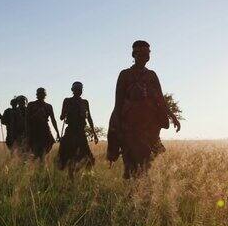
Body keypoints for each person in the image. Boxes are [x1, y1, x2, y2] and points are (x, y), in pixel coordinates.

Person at [107, 40, 181, 179]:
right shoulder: (125, 74)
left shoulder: (152, 75)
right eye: (140, 53)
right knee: (130, 163)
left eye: (147, 53)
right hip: (130, 123)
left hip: (149, 125)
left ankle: (142, 193)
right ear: (134, 55)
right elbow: (118, 101)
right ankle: (114, 155)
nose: (144, 56)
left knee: (147, 162)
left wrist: (172, 116)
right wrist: (116, 125)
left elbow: (160, 99)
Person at [57, 81, 98, 177]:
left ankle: (84, 175)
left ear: (81, 91)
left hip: (80, 132)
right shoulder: (67, 101)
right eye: (76, 89)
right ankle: (69, 173)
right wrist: (66, 111)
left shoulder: (85, 102)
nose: (78, 91)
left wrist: (94, 133)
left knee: (88, 158)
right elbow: (61, 117)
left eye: (79, 90)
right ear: (72, 90)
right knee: (66, 154)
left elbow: (89, 118)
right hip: (71, 130)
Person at [26, 87, 60, 160]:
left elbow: (53, 120)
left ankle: (39, 158)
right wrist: (36, 115)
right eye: (39, 94)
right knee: (35, 149)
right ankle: (36, 160)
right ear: (37, 95)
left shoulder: (48, 106)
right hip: (34, 129)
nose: (41, 95)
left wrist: (57, 132)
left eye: (42, 94)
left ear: (45, 95)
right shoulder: (31, 105)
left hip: (45, 129)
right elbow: (27, 118)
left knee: (50, 142)